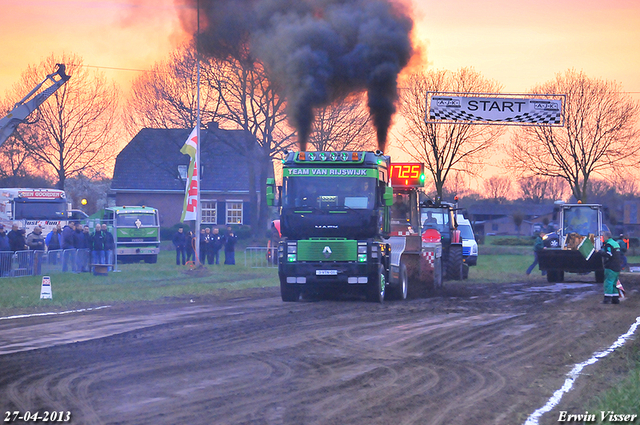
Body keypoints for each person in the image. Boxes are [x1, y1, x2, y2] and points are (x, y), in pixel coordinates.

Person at [599, 231, 622, 304]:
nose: (603, 237)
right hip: (617, 266)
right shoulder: (616, 243)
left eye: (603, 236)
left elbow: (609, 254)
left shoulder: (608, 244)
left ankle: (607, 299)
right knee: (614, 283)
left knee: (608, 282)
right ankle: (615, 299)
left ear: (606, 237)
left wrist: (600, 252)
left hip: (610, 267)